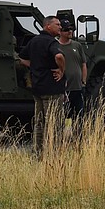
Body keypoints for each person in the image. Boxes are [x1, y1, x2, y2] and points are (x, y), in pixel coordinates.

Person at [18, 15, 65, 158]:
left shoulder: (34, 41)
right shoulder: (51, 42)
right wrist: (62, 70)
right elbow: (59, 57)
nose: (60, 27)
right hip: (52, 89)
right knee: (54, 123)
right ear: (48, 26)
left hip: (37, 88)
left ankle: (37, 153)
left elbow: (21, 58)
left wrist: (35, 66)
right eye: (57, 24)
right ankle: (53, 154)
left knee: (39, 123)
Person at [57, 20, 87, 122]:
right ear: (60, 31)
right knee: (62, 116)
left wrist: (83, 81)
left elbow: (83, 64)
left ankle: (78, 137)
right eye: (66, 29)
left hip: (77, 87)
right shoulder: (55, 45)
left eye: (71, 29)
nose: (70, 32)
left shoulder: (77, 45)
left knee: (79, 117)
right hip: (63, 89)